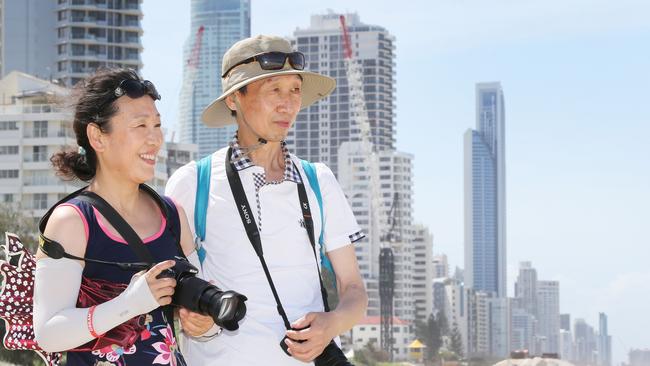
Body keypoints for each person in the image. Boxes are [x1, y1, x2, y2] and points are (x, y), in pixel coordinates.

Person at [166, 35, 368, 365]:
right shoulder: (193, 182)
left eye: (295, 90)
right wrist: (189, 312)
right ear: (234, 99)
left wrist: (332, 323)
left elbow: (354, 290)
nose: (287, 104)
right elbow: (172, 283)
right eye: (274, 89)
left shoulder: (319, 180)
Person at [33, 68, 216, 365]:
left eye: (157, 125)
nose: (155, 139)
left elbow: (198, 310)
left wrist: (206, 325)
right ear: (97, 137)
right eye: (140, 125)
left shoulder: (172, 215)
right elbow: (48, 333)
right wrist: (129, 304)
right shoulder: (72, 222)